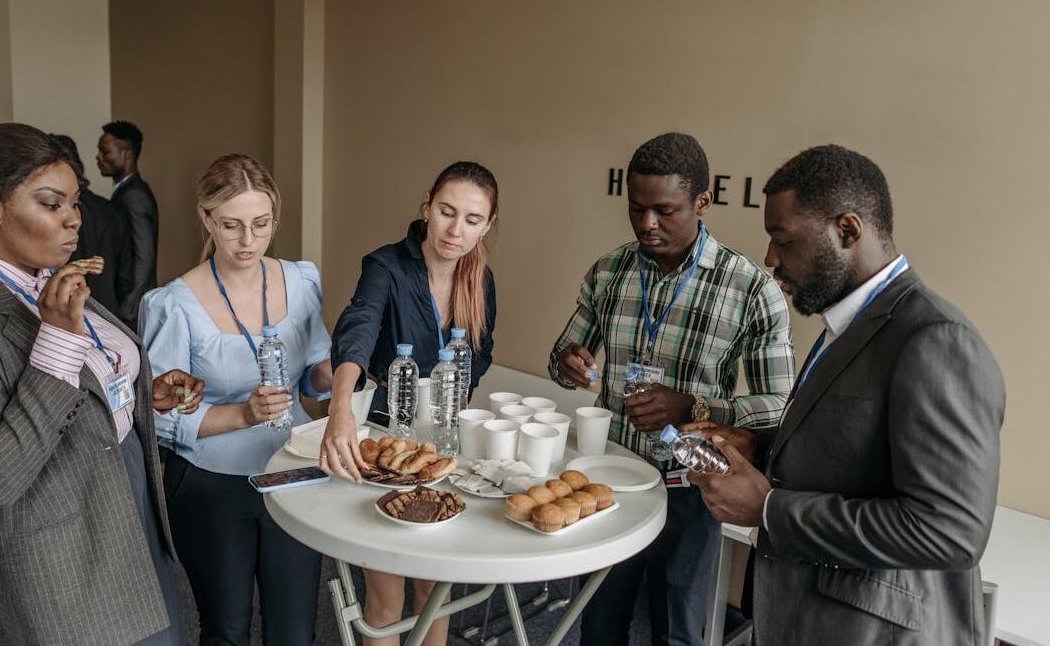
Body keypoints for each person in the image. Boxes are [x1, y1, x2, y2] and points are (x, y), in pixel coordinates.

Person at [687, 145, 1004, 646]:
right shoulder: (847, 321)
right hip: (809, 613)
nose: (770, 260)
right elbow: (850, 447)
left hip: (872, 630)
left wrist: (769, 508)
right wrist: (758, 447)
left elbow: (949, 531)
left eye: (782, 240)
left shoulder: (935, 339)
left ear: (847, 230)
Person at [0, 122, 202, 645]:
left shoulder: (49, 276)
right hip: (65, 541)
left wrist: (135, 390)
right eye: (51, 205)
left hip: (127, 496)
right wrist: (57, 344)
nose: (73, 222)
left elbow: (87, 383)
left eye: (75, 204)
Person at [548, 133, 793, 646]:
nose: (646, 224)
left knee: (679, 634)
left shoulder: (751, 289)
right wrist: (568, 362)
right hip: (610, 481)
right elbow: (563, 354)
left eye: (664, 210)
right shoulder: (609, 272)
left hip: (693, 488)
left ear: (702, 202)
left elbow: (778, 408)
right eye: (636, 209)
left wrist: (693, 406)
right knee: (598, 626)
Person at [140, 153, 333, 646]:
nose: (247, 241)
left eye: (260, 224)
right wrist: (242, 413)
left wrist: (348, 367)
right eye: (230, 225)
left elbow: (313, 380)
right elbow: (159, 417)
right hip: (210, 482)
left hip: (291, 473)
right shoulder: (174, 304)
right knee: (226, 630)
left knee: (294, 632)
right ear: (205, 218)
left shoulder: (301, 280)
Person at [321, 160, 499, 646]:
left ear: (488, 226)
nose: (455, 230)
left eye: (472, 220)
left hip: (441, 450)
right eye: (446, 211)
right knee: (385, 595)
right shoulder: (385, 266)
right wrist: (339, 407)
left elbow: (479, 356)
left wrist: (451, 394)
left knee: (435, 590)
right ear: (427, 205)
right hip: (386, 448)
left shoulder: (480, 281)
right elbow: (357, 330)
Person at [52, 134, 134, 322]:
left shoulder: (55, 216)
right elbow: (126, 276)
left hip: (69, 314)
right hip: (112, 314)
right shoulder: (115, 211)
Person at [98, 120, 157, 326]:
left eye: (105, 152)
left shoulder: (134, 196)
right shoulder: (126, 192)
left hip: (132, 310)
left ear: (127, 155)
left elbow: (144, 256)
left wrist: (127, 308)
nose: (98, 157)